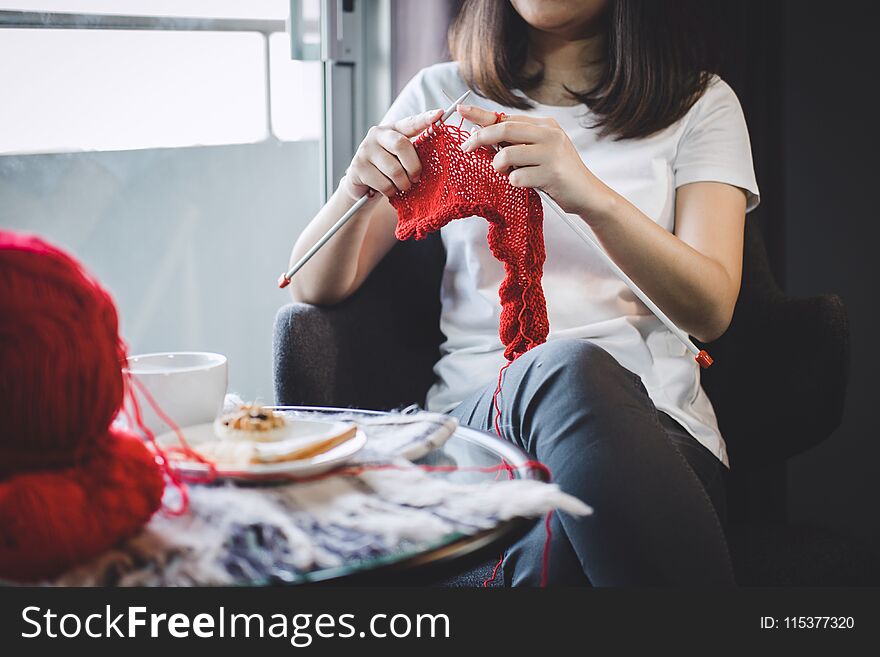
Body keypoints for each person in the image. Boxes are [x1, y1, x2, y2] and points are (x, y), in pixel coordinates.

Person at [287, 0, 760, 586]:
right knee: (565, 371)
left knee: (563, 526)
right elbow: (312, 283)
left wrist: (588, 193)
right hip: (482, 428)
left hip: (654, 429)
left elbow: (711, 310)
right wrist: (356, 189)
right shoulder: (441, 93)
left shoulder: (700, 103)